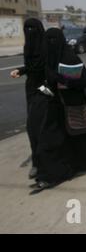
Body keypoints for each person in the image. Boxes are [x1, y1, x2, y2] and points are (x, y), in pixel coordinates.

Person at [29, 28, 86, 193]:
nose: (50, 44)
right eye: (47, 40)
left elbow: (82, 83)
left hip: (71, 106)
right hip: (54, 107)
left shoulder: (70, 58)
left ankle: (74, 167)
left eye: (53, 40)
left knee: (77, 139)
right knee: (48, 141)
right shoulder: (49, 59)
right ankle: (47, 176)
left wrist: (61, 79)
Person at [10, 18, 47, 179]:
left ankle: (47, 161)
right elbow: (32, 67)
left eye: (33, 29)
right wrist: (21, 70)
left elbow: (46, 66)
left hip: (47, 89)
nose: (30, 33)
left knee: (46, 125)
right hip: (32, 89)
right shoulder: (28, 47)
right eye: (27, 29)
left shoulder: (47, 45)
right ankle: (38, 161)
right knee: (32, 126)